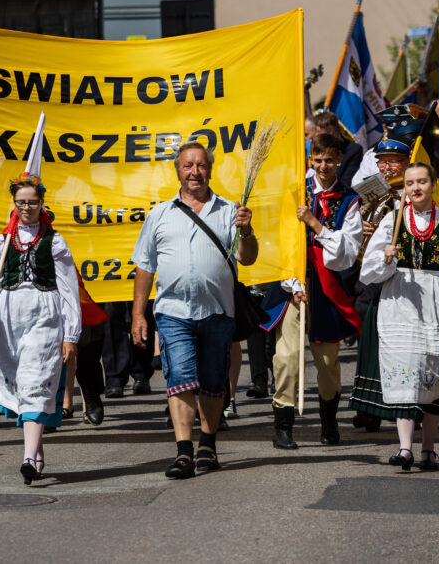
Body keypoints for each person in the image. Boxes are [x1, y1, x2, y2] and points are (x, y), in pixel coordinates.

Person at [130, 142, 258, 479]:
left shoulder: (231, 210)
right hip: (173, 312)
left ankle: (208, 445)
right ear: (177, 170)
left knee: (214, 381)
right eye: (187, 166)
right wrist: (138, 315)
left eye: (200, 165)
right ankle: (184, 451)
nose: (194, 172)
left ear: (210, 170)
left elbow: (248, 257)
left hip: (218, 311)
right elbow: (145, 267)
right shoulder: (160, 214)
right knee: (181, 378)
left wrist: (246, 229)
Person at [360, 162, 439, 471]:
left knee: (433, 370)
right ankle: (404, 448)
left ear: (432, 185)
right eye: (410, 183)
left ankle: (428, 448)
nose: (415, 188)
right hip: (399, 300)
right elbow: (369, 271)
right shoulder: (393, 220)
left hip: (437, 299)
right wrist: (386, 258)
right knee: (405, 368)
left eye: (422, 182)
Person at [0, 174, 81, 485]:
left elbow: (69, 290)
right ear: (14, 204)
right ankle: (37, 447)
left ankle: (28, 458)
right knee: (22, 385)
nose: (27, 207)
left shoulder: (54, 241)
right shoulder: (2, 242)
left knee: (35, 380)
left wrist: (71, 334)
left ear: (41, 203)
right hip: (8, 320)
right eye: (21, 202)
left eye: (32, 202)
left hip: (44, 317)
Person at [262, 133, 363, 449]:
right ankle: (283, 426)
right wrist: (294, 283)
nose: (323, 166)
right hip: (292, 283)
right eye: (317, 160)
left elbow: (346, 251)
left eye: (329, 160)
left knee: (327, 361)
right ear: (310, 160)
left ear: (339, 161)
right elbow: (279, 240)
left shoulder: (350, 199)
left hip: (326, 286)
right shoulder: (295, 192)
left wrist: (314, 224)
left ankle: (329, 422)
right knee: (287, 356)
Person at [348, 106, 420, 432]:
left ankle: (409, 407)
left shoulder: (414, 195)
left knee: (405, 346)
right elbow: (348, 228)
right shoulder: (370, 192)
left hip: (404, 279)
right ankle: (369, 407)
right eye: (382, 161)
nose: (386, 166)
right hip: (370, 277)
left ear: (406, 164)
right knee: (371, 344)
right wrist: (358, 228)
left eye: (393, 162)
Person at [313, 111, 362, 188]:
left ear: (338, 129)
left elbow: (346, 182)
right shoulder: (313, 148)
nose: (326, 140)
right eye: (322, 136)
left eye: (329, 135)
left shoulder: (353, 150)